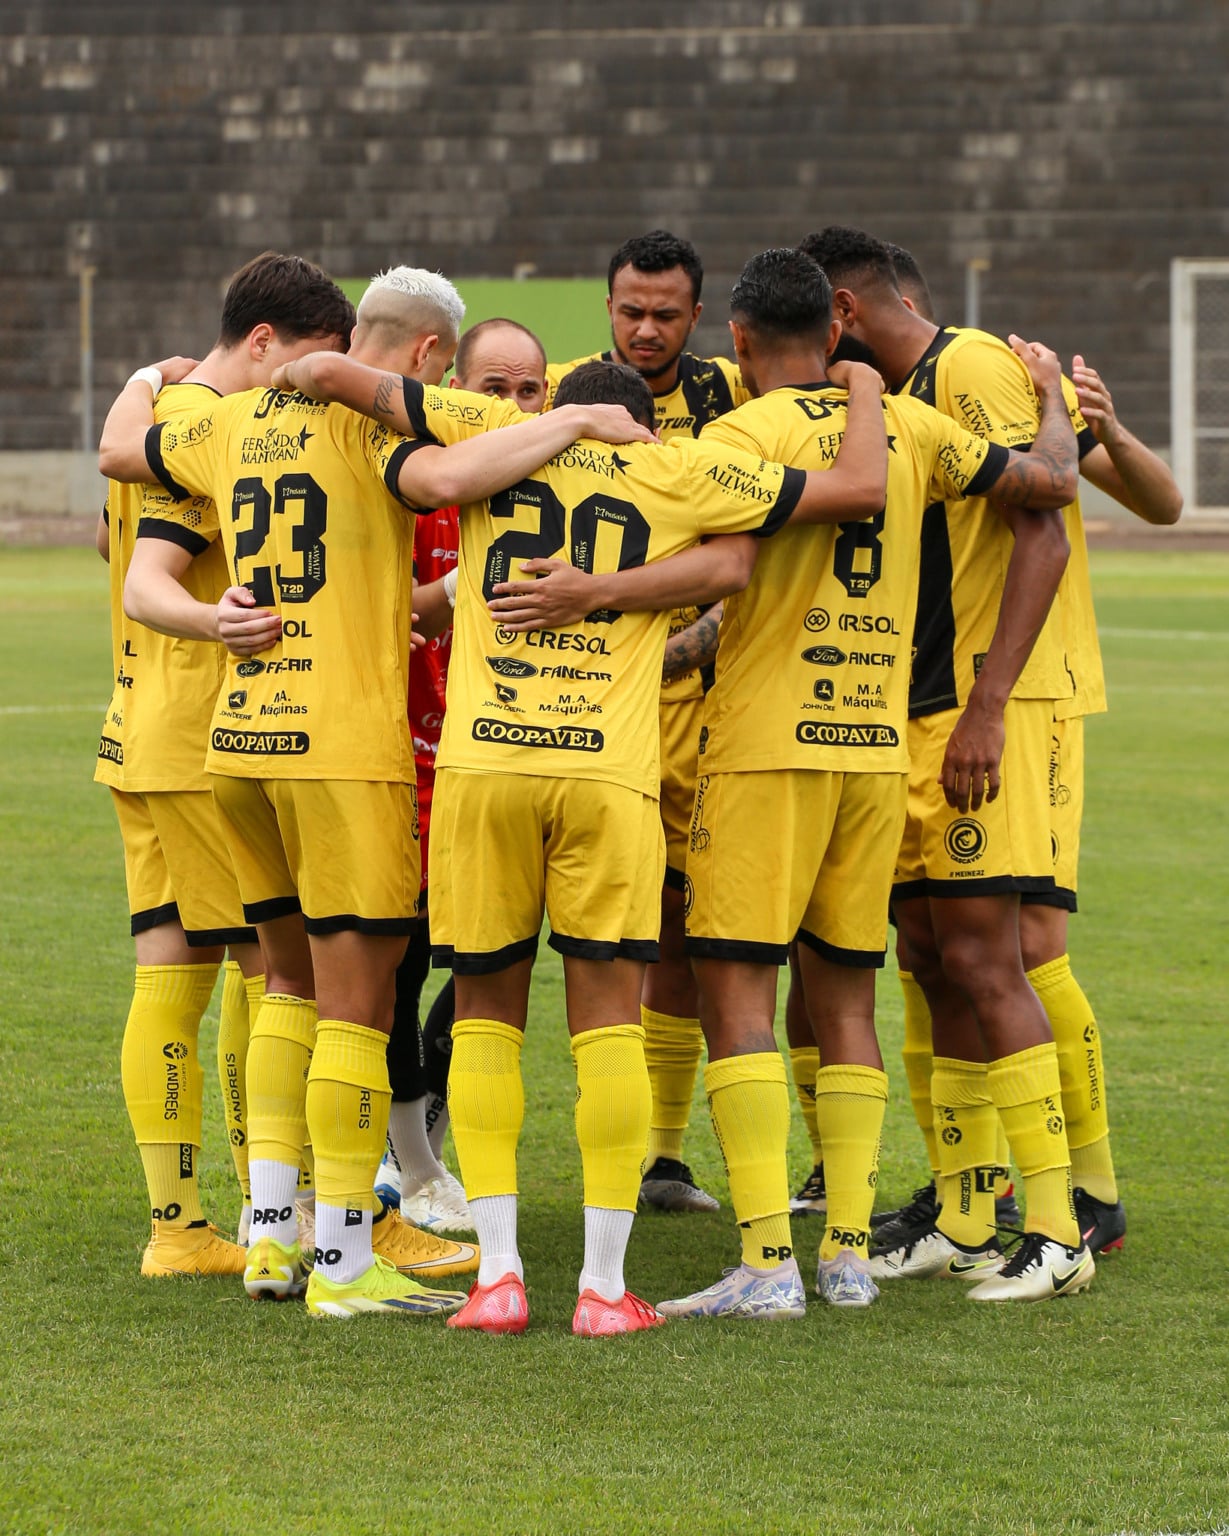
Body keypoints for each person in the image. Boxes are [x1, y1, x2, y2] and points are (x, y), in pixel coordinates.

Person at [491, 249, 1080, 1316]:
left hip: (763, 748)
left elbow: (723, 570)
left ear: (738, 339)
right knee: (845, 994)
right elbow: (1047, 487)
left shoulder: (739, 437)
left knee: (736, 994)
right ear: (835, 331)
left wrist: (596, 597)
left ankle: (767, 1261)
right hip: (872, 749)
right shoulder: (909, 425)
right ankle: (845, 1255)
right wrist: (1048, 401)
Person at [273, 342, 888, 1333]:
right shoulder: (678, 465)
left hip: (484, 770)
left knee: (485, 1016)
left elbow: (340, 377)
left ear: (560, 401)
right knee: (607, 1025)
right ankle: (602, 1288)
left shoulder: (495, 430)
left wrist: (289, 376)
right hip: (606, 776)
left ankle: (499, 1276)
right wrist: (860, 382)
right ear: (640, 418)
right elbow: (851, 492)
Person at [102, 266, 654, 1320]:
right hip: (342, 748)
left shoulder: (227, 421)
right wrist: (577, 417)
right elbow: (450, 475)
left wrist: (144, 385)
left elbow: (128, 455)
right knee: (356, 1006)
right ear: (426, 356)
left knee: (285, 987)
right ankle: (346, 1259)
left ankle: (273, 1238)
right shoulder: (369, 429)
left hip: (239, 741)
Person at [800, 224, 1093, 1302]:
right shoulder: (887, 398)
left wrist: (986, 706)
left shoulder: (966, 366)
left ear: (841, 311)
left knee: (984, 957)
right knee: (925, 954)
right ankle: (965, 1214)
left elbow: (1044, 524)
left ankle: (1055, 1228)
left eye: (816, 326)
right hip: (905, 713)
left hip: (969, 710)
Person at [877, 242, 1182, 1257]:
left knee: (1027, 948)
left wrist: (1100, 422)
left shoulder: (976, 369)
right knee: (933, 949)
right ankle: (967, 1193)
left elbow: (1158, 503)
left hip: (1024, 687)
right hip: (942, 691)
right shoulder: (908, 395)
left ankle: (1089, 1194)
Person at [94, 251, 355, 1277]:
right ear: (260, 342)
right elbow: (153, 578)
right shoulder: (220, 433)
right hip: (205, 734)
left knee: (170, 967)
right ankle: (279, 1217)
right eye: (304, 364)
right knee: (272, 970)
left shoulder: (160, 413)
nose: (306, 388)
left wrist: (139, 382)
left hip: (136, 729)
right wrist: (217, 622)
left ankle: (178, 1229)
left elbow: (113, 542)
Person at [546, 229, 755, 1214]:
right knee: (557, 932)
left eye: (665, 313)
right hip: (587, 704)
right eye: (629, 309)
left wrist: (696, 640)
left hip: (706, 709)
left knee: (695, 930)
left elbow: (757, 545)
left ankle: (663, 1157)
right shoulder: (566, 392)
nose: (644, 328)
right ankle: (420, 1146)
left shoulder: (731, 397)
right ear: (607, 306)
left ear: (696, 316)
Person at [379, 318, 551, 1235]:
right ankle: (409, 1163)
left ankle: (420, 1142)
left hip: (511, 762)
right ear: (452, 388)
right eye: (492, 388)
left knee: (497, 957)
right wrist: (451, 595)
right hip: (405, 756)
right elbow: (375, 609)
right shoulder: (420, 479)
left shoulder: (563, 487)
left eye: (528, 392)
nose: (511, 406)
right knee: (397, 957)